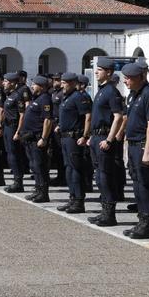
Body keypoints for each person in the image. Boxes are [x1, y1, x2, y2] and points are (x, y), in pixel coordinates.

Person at [121, 62, 149, 239]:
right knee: (137, 184)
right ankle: (141, 220)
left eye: (129, 78)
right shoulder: (134, 94)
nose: (125, 81)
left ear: (140, 77)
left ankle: (147, 224)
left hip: (144, 145)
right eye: (125, 78)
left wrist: (147, 152)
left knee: (146, 186)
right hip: (134, 144)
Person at [88, 59, 126, 227]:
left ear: (109, 72)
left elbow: (118, 117)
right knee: (99, 176)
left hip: (104, 137)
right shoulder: (102, 90)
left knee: (105, 177)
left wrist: (110, 139)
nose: (96, 72)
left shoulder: (111, 91)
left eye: (100, 70)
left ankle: (110, 214)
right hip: (96, 137)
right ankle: (104, 211)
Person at [56, 72, 92, 214]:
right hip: (65, 137)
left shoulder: (79, 97)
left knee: (76, 169)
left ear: (72, 83)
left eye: (64, 83)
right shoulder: (67, 97)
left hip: (74, 137)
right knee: (69, 169)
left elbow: (88, 117)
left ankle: (78, 201)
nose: (62, 85)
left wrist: (85, 135)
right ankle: (72, 198)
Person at [16, 75, 54, 203]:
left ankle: (43, 193)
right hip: (30, 138)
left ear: (41, 86)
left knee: (40, 166)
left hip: (38, 139)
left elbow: (47, 120)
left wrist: (44, 138)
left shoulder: (45, 99)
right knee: (34, 166)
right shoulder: (36, 98)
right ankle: (37, 190)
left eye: (34, 84)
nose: (32, 86)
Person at [0, 72, 30, 193]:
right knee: (10, 154)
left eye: (6, 82)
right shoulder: (10, 94)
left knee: (15, 155)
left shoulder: (18, 95)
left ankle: (18, 182)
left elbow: (22, 115)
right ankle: (15, 181)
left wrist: (18, 131)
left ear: (12, 83)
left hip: (13, 126)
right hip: (7, 126)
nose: (4, 83)